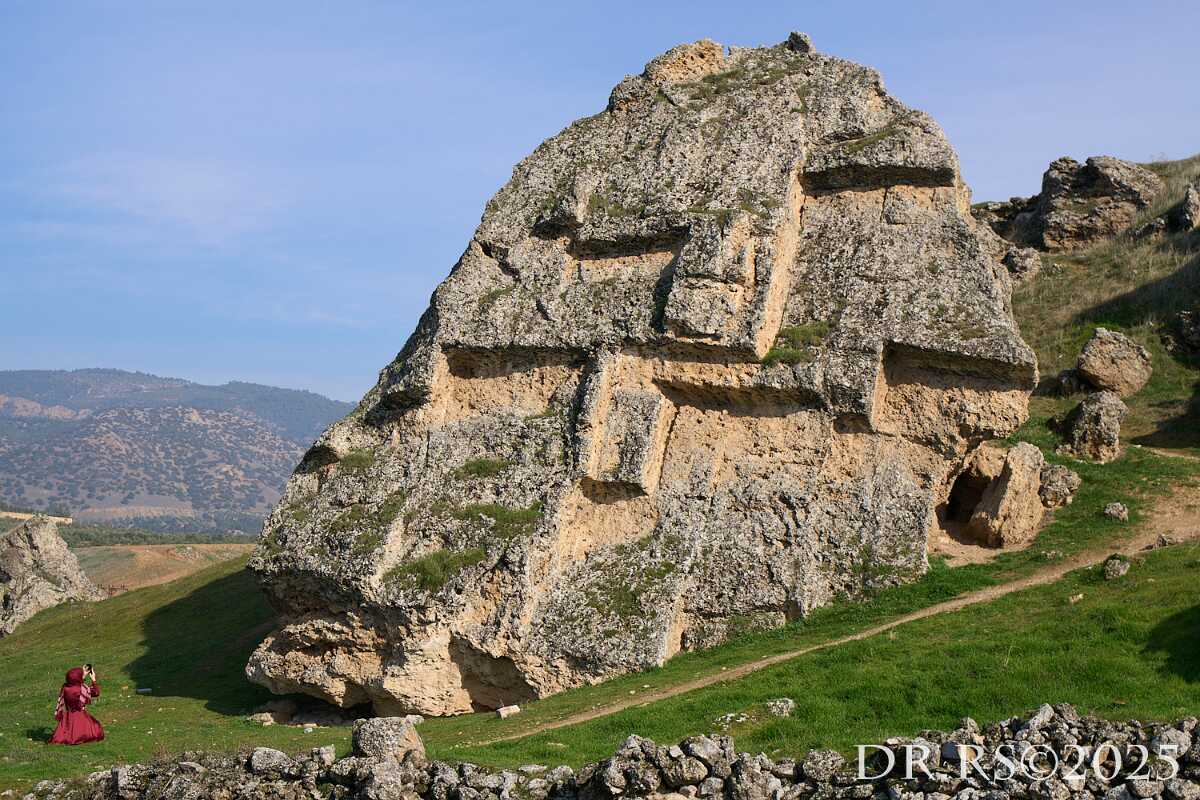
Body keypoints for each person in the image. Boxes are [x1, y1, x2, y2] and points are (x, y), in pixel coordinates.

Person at [49, 665, 104, 745]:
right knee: (96, 729)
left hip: (68, 716)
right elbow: (96, 692)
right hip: (80, 716)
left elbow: (75, 682)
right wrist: (93, 680)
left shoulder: (65, 687)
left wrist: (82, 675)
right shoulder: (82, 688)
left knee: (62, 733)